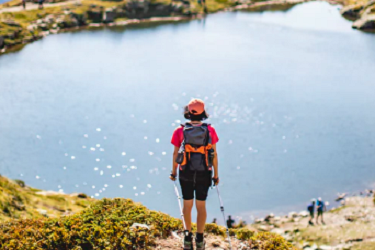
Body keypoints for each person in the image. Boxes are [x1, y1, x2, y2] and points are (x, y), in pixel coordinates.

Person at [170, 98, 219, 250]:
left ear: (188, 113)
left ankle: (187, 238)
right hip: (204, 171)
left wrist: (173, 172)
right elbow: (214, 154)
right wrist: (216, 175)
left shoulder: (179, 131)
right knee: (201, 206)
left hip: (186, 171)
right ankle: (199, 239)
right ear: (203, 113)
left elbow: (175, 154)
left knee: (187, 205)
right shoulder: (210, 130)